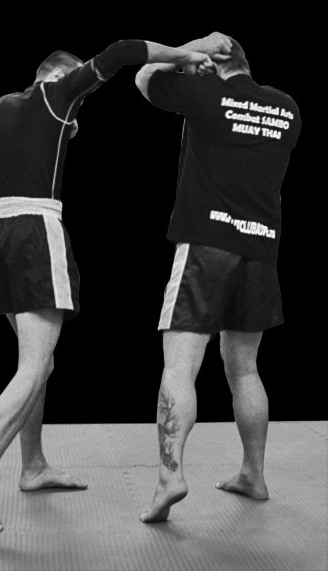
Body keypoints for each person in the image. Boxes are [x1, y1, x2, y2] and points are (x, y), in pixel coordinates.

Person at [0, 38, 213, 536]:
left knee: (39, 363)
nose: (77, 114)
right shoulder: (54, 94)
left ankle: (33, 466)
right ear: (57, 77)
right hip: (33, 231)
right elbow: (121, 52)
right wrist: (186, 53)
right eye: (77, 97)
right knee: (34, 366)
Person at [135, 32, 301, 523]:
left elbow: (144, 77)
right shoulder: (287, 108)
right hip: (260, 249)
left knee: (179, 368)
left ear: (216, 62)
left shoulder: (206, 94)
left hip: (206, 246)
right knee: (245, 368)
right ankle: (253, 475)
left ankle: (170, 478)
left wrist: (190, 51)